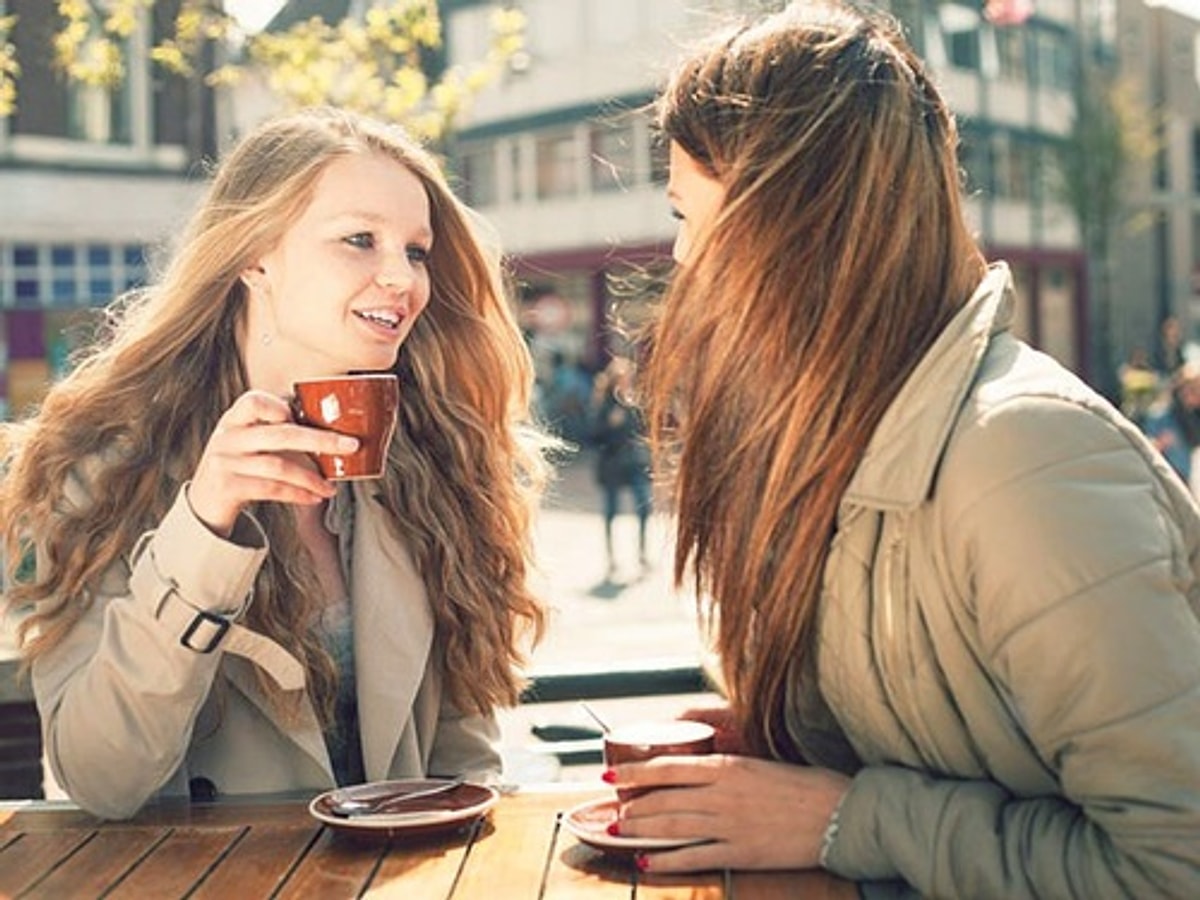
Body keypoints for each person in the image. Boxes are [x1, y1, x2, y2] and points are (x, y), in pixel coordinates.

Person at [603, 3, 1200, 897]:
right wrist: (779, 742)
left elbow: (1174, 864)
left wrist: (846, 820)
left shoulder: (1024, 461)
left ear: (798, 227)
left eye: (692, 214)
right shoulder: (843, 435)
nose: (684, 258)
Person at [0, 107, 549, 819]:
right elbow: (100, 778)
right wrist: (201, 525)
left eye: (416, 251)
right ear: (254, 255)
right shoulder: (105, 464)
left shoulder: (435, 457)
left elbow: (463, 756)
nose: (403, 279)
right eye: (359, 240)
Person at [590, 356, 652, 579]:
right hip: (612, 464)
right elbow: (593, 437)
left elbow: (644, 433)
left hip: (635, 463)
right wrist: (609, 424)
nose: (624, 383)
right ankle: (611, 556)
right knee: (611, 511)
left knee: (644, 506)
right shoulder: (604, 404)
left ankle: (642, 553)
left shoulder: (634, 405)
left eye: (627, 379)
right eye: (621, 379)